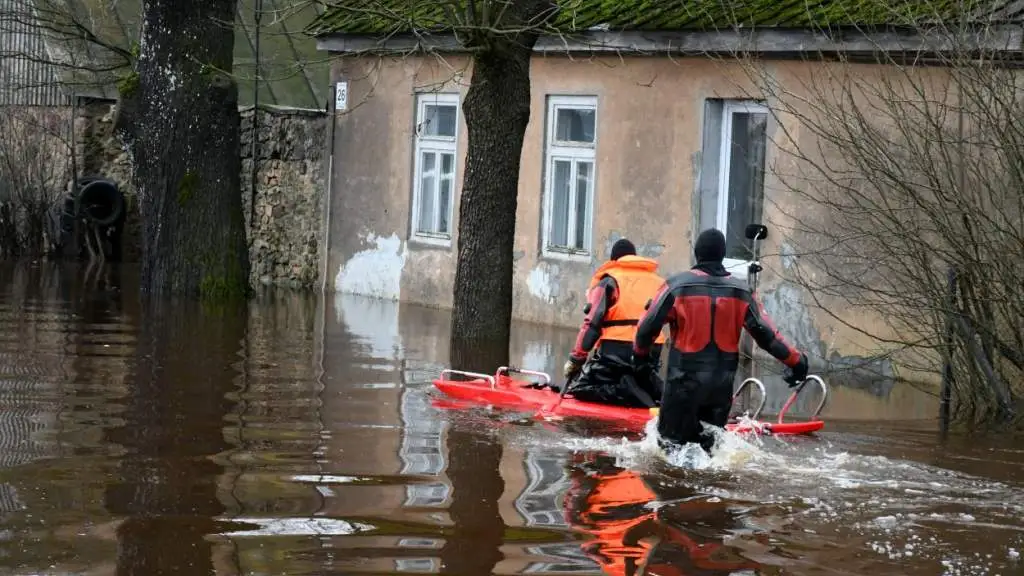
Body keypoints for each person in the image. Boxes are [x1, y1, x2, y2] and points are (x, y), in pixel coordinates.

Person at [631, 228, 808, 453]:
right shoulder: (742, 292)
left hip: (684, 386)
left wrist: (640, 360)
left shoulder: (676, 287)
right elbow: (768, 337)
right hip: (720, 389)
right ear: (722, 255)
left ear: (697, 254)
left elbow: (646, 330)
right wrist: (797, 362)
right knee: (710, 455)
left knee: (670, 452)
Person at [560, 238, 667, 408]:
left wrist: (576, 359)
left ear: (613, 260)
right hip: (651, 351)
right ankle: (651, 391)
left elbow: (592, 323)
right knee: (641, 377)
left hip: (617, 351)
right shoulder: (659, 283)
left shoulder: (610, 281)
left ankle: (626, 389)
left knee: (582, 388)